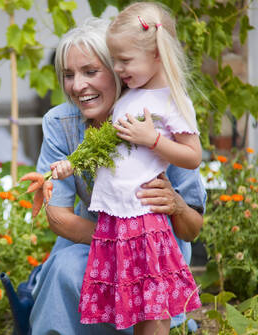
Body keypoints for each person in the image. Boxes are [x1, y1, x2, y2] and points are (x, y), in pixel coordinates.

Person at [28, 15, 206, 335]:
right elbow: (58, 217)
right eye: (68, 75)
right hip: (92, 246)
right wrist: (117, 245)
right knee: (66, 269)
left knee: (142, 288)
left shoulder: (156, 119)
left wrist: (177, 205)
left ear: (120, 72)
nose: (77, 85)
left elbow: (193, 230)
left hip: (155, 256)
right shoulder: (62, 122)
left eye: (90, 71)